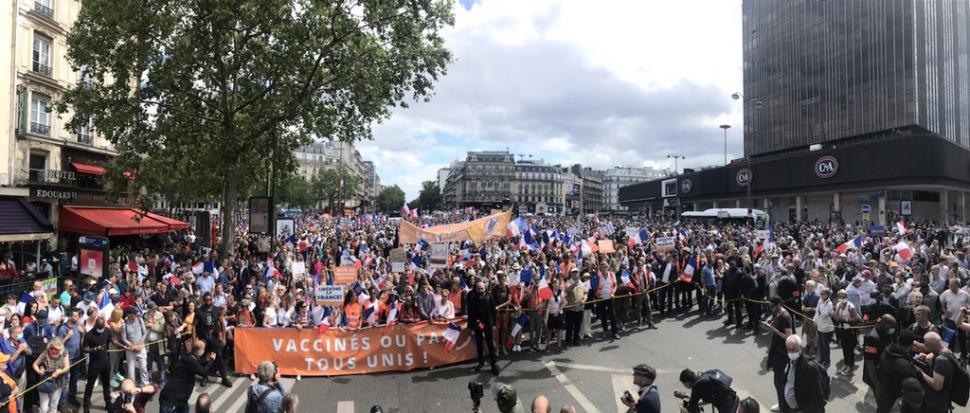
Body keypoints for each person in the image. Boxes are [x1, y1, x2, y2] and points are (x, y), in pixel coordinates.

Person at [159, 339, 215, 413]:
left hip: (181, 399)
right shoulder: (191, 361)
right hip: (170, 400)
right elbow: (203, 372)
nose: (204, 351)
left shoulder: (187, 357)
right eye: (203, 349)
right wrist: (211, 360)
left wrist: (206, 360)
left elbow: (197, 365)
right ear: (200, 351)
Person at [760, 297, 793, 413]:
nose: (771, 308)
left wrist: (773, 330)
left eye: (773, 306)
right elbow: (775, 326)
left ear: (779, 304)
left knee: (780, 382)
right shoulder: (776, 313)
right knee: (777, 380)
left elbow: (789, 336)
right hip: (776, 349)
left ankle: (784, 407)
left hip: (783, 353)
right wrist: (769, 326)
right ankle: (781, 403)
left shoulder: (785, 317)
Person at [781, 335, 828, 413]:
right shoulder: (791, 362)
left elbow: (818, 397)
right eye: (789, 349)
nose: (791, 352)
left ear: (801, 348)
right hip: (791, 408)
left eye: (794, 349)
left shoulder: (809, 367)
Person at [876, 330, 918, 413]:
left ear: (898, 340)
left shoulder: (886, 351)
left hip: (883, 395)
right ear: (911, 345)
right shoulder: (904, 366)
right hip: (895, 403)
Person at [917, 332, 957, 413]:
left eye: (926, 345)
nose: (925, 347)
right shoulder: (947, 351)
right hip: (944, 399)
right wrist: (926, 357)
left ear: (932, 346)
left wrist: (921, 373)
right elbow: (933, 355)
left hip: (937, 403)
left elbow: (937, 386)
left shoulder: (941, 361)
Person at [466, 281, 498, 374]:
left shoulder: (489, 297)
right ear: (476, 289)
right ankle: (481, 362)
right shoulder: (473, 298)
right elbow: (471, 313)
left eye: (482, 288)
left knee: (490, 344)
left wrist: (494, 324)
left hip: (488, 324)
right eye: (478, 288)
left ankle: (493, 364)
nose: (480, 290)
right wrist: (470, 325)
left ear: (485, 288)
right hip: (478, 324)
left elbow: (493, 311)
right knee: (479, 344)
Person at [82, 317, 112, 413]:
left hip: (105, 363)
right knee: (90, 385)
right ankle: (86, 406)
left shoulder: (107, 331)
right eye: (99, 328)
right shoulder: (89, 335)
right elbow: (84, 349)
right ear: (95, 326)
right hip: (94, 364)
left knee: (106, 385)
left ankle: (108, 403)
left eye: (102, 327)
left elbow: (113, 340)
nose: (101, 330)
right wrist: (94, 349)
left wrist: (123, 345)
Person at [32, 338, 69, 413]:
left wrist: (60, 371)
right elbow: (34, 364)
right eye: (51, 348)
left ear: (60, 349)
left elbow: (67, 366)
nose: (53, 351)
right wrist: (39, 371)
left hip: (58, 382)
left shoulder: (64, 353)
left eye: (56, 349)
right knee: (44, 408)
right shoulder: (45, 353)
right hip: (45, 382)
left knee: (53, 406)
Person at [120, 307, 150, 386]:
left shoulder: (140, 320)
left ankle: (145, 385)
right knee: (131, 370)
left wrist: (139, 344)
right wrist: (132, 346)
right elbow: (124, 339)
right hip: (130, 349)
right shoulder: (124, 325)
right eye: (134, 314)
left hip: (141, 347)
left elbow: (144, 333)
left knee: (143, 367)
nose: (136, 315)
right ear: (129, 315)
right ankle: (132, 386)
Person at [595, 263, 620, 340]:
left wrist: (613, 293)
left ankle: (614, 332)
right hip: (601, 299)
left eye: (605, 266)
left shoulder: (612, 274)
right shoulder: (598, 276)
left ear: (608, 267)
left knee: (613, 316)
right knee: (603, 316)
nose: (604, 268)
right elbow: (595, 288)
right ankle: (605, 331)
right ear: (600, 268)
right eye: (602, 267)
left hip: (610, 298)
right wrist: (597, 294)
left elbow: (615, 285)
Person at [813, 287, 835, 368]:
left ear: (827, 295)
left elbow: (825, 314)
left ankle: (827, 361)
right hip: (819, 326)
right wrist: (814, 319)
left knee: (825, 345)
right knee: (820, 344)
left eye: (823, 294)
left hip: (826, 327)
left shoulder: (829, 303)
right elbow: (816, 311)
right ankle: (821, 359)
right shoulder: (820, 300)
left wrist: (818, 312)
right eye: (821, 293)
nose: (821, 295)